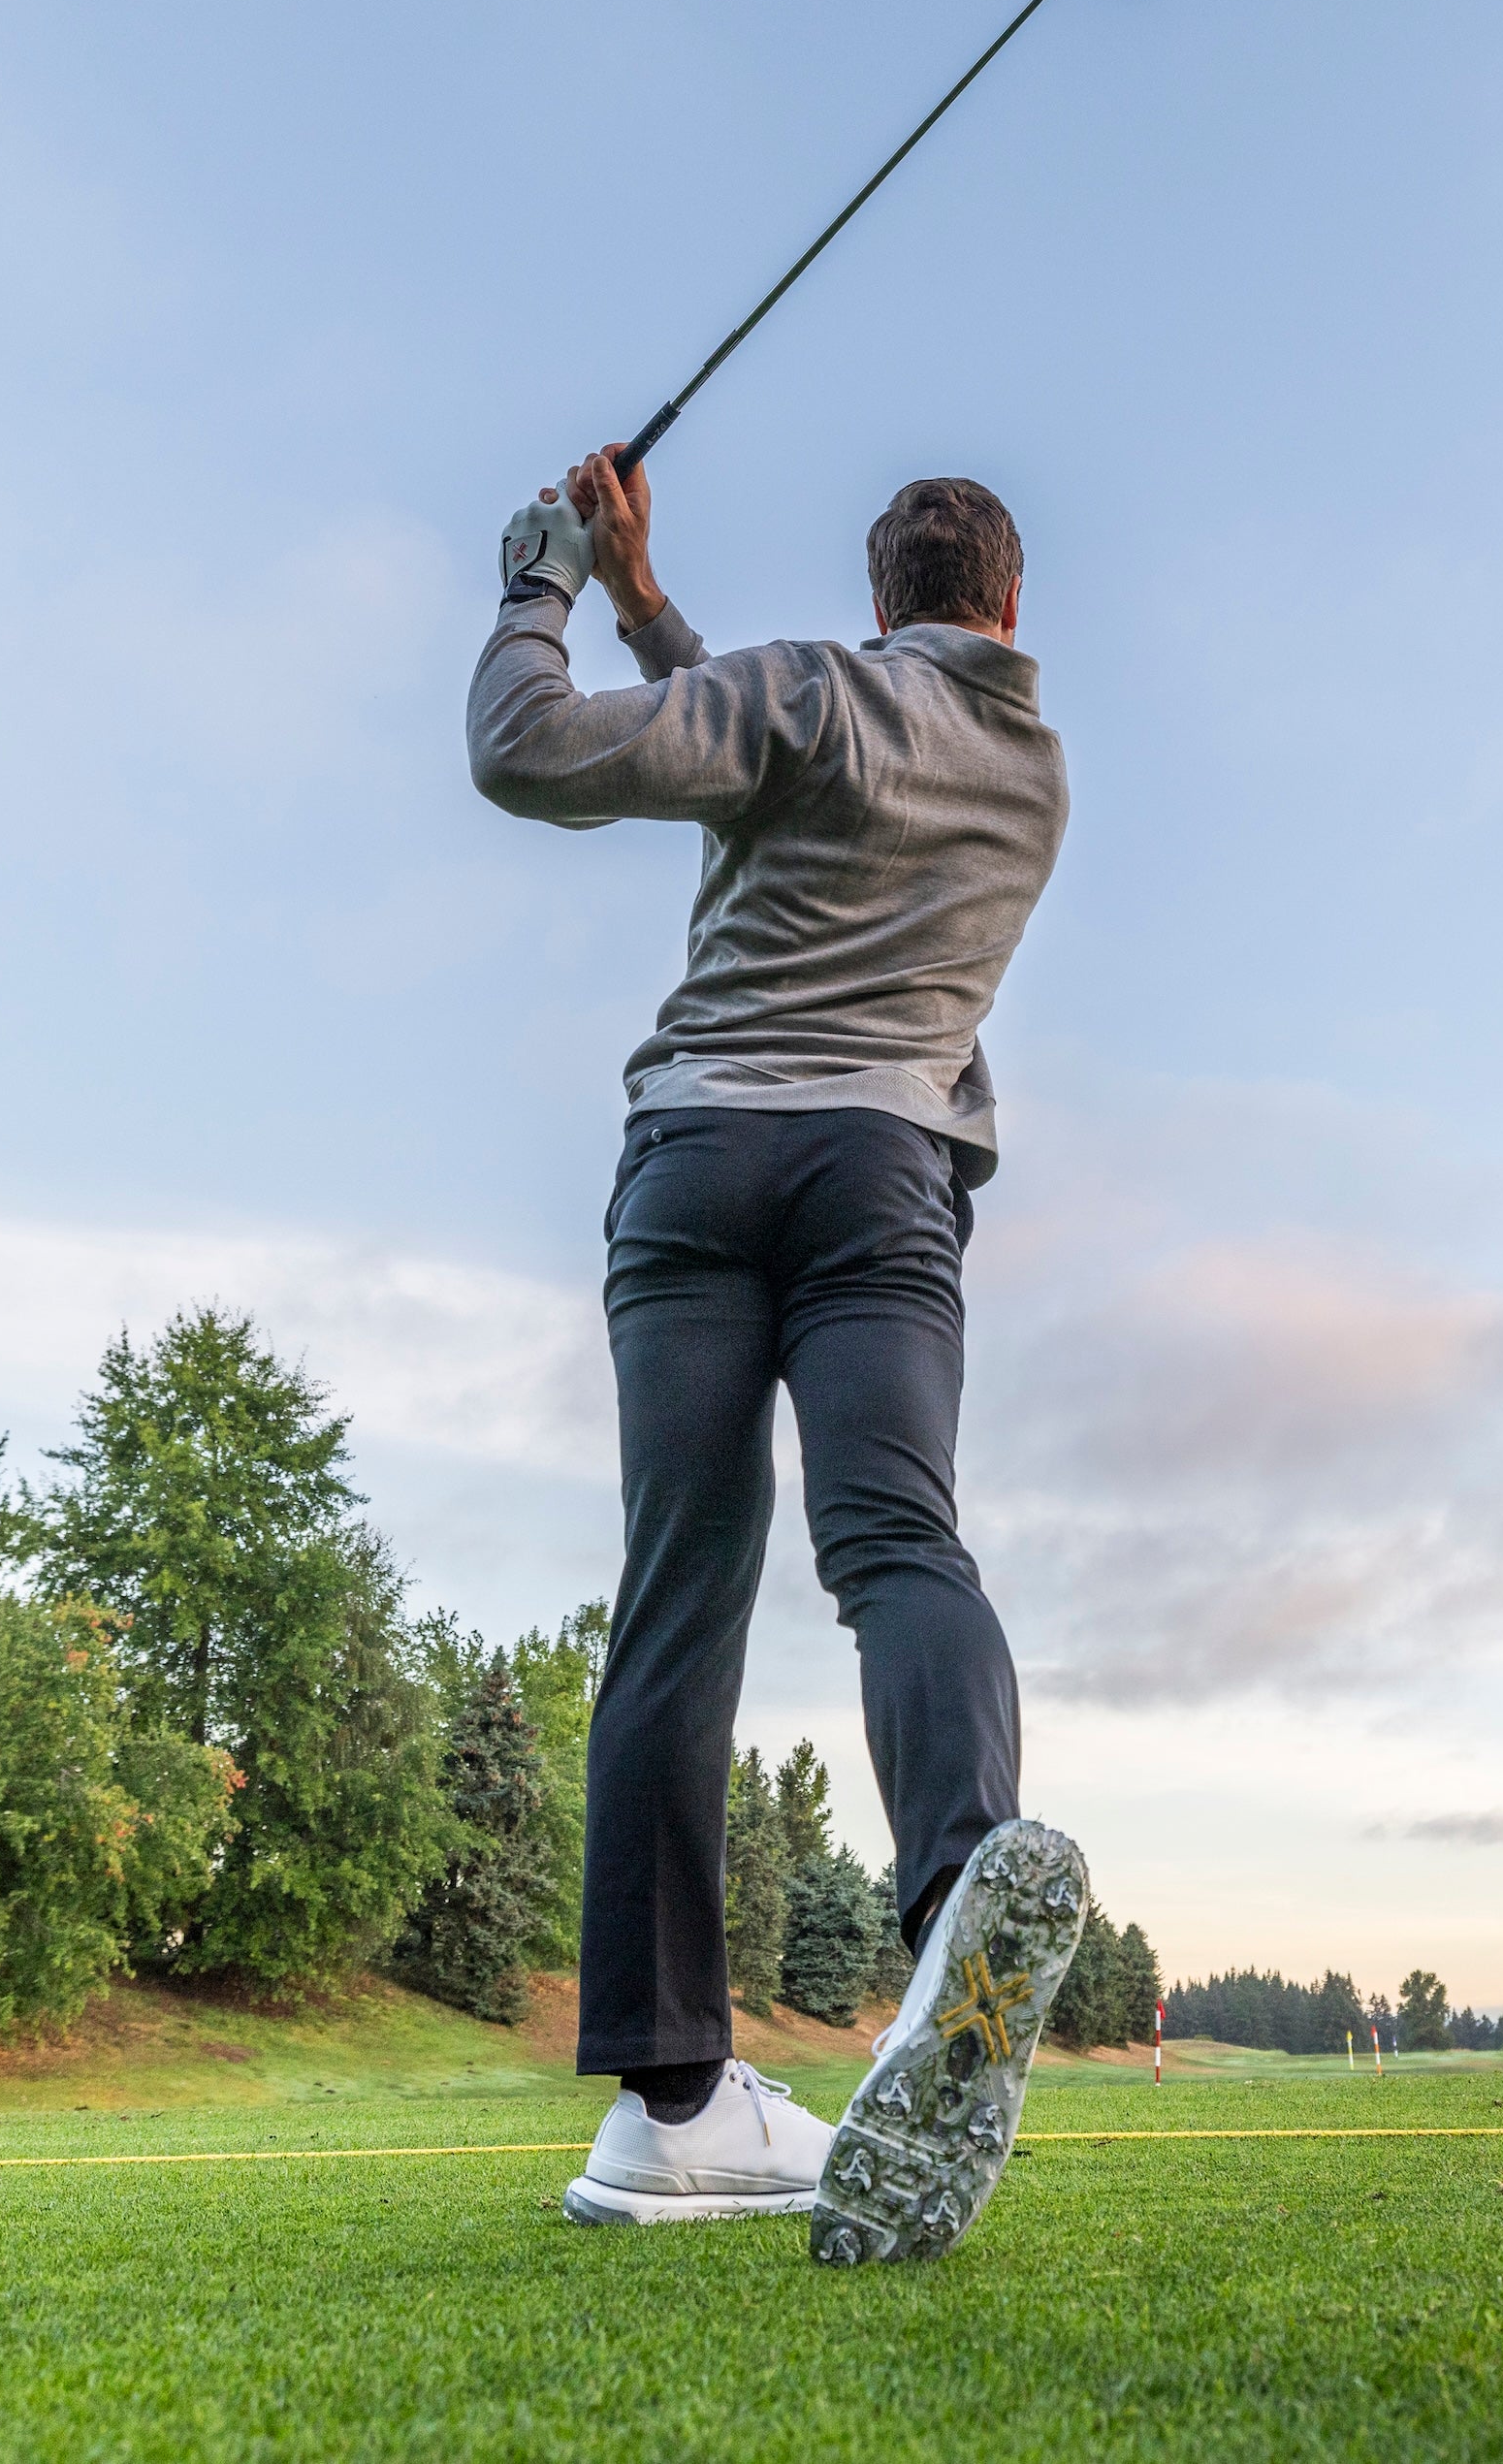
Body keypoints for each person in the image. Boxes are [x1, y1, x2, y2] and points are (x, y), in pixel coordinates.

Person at [467, 448, 1091, 2260]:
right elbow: (797, 740)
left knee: (680, 1592)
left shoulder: (808, 692)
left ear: (879, 597)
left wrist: (546, 577)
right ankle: (963, 1907)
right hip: (879, 1176)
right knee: (896, 1544)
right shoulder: (1032, 768)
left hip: (697, 1165)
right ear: (1011, 605)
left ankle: (669, 2103)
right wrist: (655, 608)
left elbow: (527, 748)